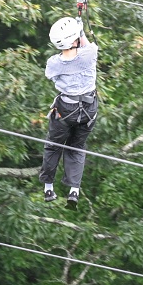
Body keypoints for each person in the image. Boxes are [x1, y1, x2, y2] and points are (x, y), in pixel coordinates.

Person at [39, 16, 99, 209]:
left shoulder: (53, 62)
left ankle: (49, 187)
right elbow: (86, 43)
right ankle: (74, 190)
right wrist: (80, 31)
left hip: (65, 110)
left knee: (54, 145)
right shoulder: (89, 54)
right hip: (88, 110)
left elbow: (51, 76)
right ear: (75, 39)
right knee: (77, 147)